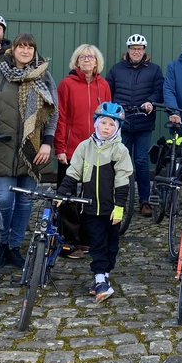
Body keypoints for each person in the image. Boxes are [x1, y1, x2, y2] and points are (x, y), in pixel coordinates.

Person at [0, 33, 58, 267]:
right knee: (3, 199)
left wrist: (47, 142)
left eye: (30, 48)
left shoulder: (43, 75)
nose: (25, 51)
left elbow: (53, 111)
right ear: (12, 50)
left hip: (33, 148)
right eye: (21, 47)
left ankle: (14, 247)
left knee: (24, 203)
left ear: (34, 51)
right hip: (2, 144)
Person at [57, 102, 133, 303]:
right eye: (103, 123)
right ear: (96, 124)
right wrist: (62, 192)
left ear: (117, 128)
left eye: (111, 125)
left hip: (111, 208)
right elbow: (73, 173)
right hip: (91, 207)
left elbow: (122, 181)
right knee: (97, 243)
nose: (106, 128)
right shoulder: (84, 147)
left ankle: (104, 276)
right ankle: (100, 278)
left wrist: (119, 207)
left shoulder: (120, 150)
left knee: (111, 244)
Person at [55, 44, 110, 257]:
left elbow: (108, 120)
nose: (87, 60)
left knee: (92, 195)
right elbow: (61, 117)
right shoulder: (66, 84)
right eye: (82, 57)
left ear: (97, 62)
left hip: (96, 150)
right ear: (76, 62)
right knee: (67, 196)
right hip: (70, 148)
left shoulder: (103, 85)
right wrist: (59, 147)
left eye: (91, 57)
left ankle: (87, 239)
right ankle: (69, 240)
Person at [106, 33, 164, 218]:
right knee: (118, 162)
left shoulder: (154, 70)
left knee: (140, 161)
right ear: (128, 50)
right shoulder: (116, 69)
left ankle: (144, 200)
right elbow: (109, 91)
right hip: (122, 123)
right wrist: (115, 110)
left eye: (139, 49)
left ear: (144, 51)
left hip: (143, 122)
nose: (136, 52)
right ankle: (116, 200)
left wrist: (150, 101)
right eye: (133, 48)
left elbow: (158, 91)